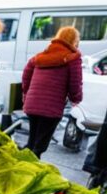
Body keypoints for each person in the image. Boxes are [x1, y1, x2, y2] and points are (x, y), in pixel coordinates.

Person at [21, 26, 84, 158]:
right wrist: (76, 98)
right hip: (51, 108)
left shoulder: (40, 56)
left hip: (32, 104)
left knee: (32, 142)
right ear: (75, 41)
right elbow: (75, 84)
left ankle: (22, 165)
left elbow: (26, 76)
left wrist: (27, 95)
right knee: (39, 146)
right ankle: (28, 170)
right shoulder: (73, 58)